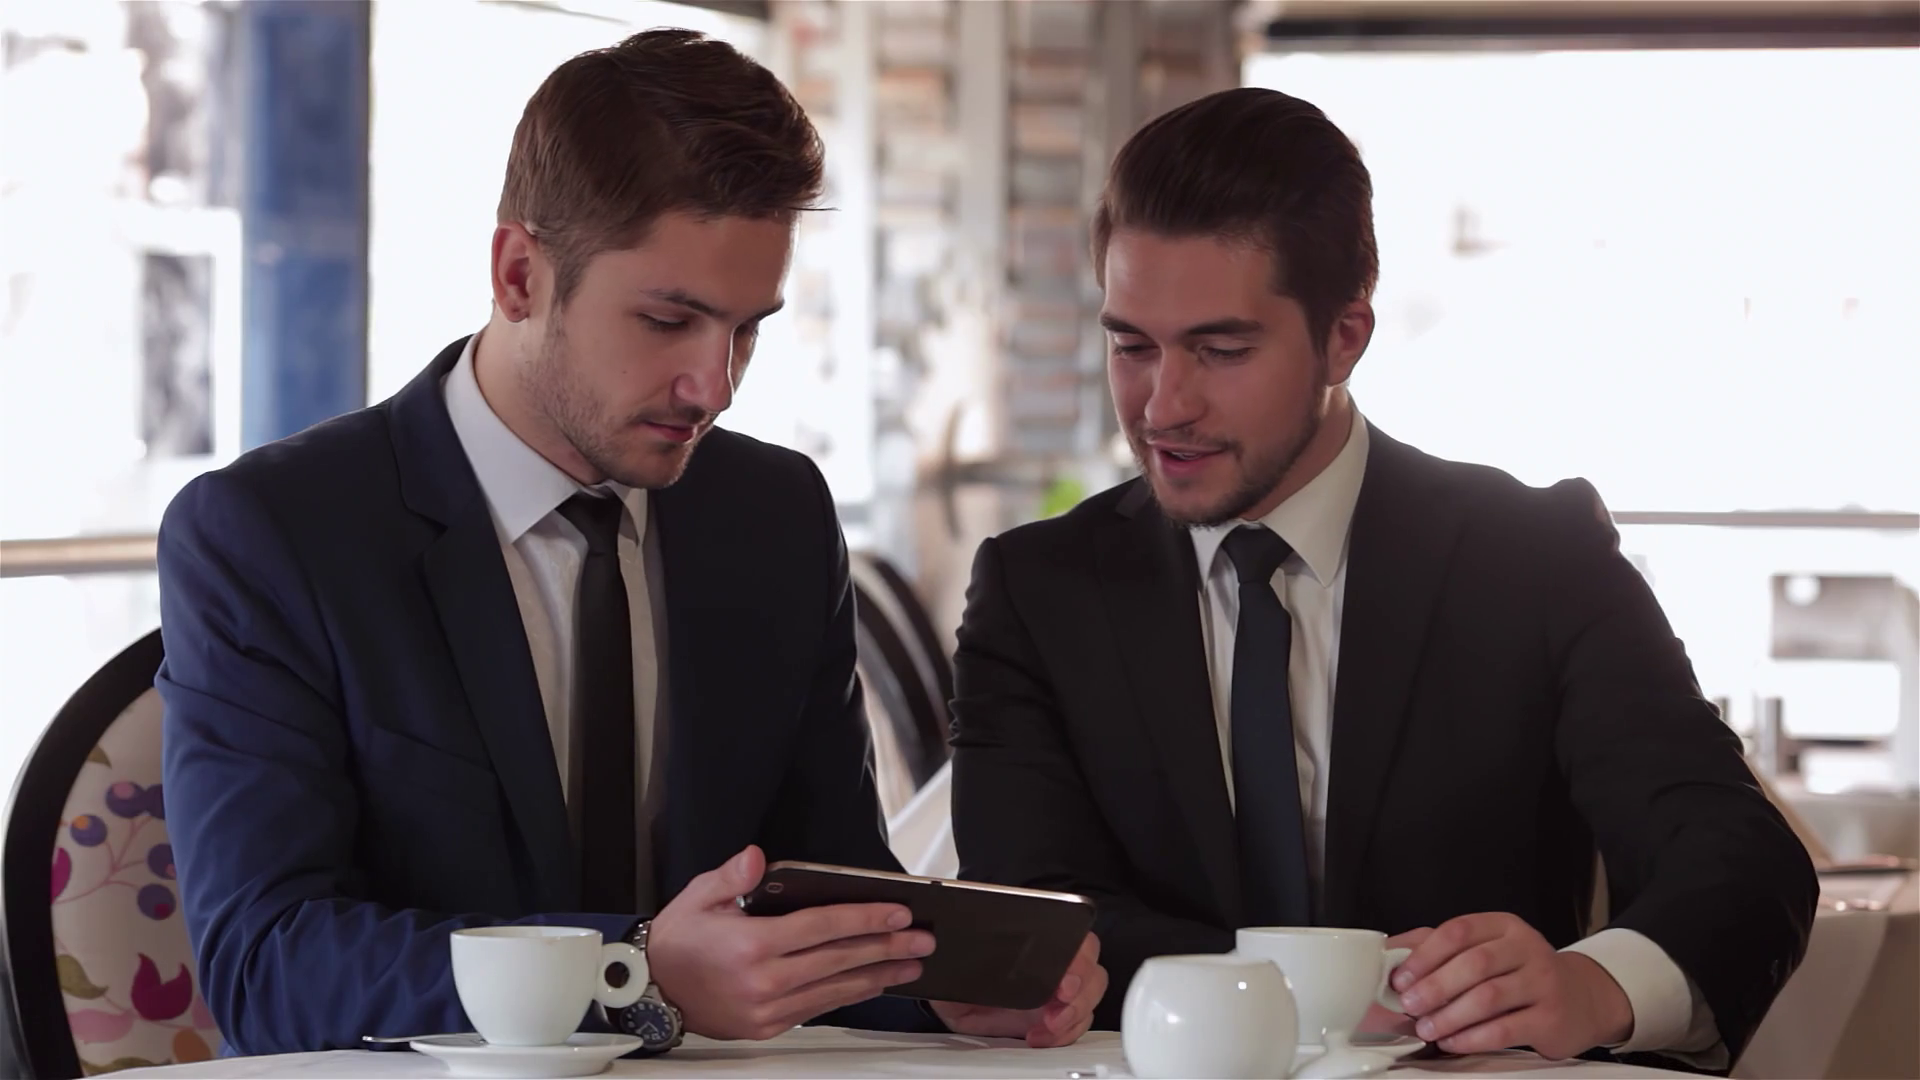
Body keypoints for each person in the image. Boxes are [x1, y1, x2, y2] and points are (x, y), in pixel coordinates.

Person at [158, 29, 1104, 1058]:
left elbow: (817, 894)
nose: (716, 384)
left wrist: (933, 987)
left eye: (747, 328)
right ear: (519, 275)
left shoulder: (773, 516)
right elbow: (266, 965)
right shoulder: (275, 534)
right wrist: (632, 975)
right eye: (666, 321)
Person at [948, 86, 1813, 1071]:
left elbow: (1738, 856)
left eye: (1221, 350)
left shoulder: (1533, 558)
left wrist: (1593, 987)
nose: (1163, 406)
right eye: (1131, 346)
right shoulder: (1038, 592)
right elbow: (1035, 920)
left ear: (1345, 337)